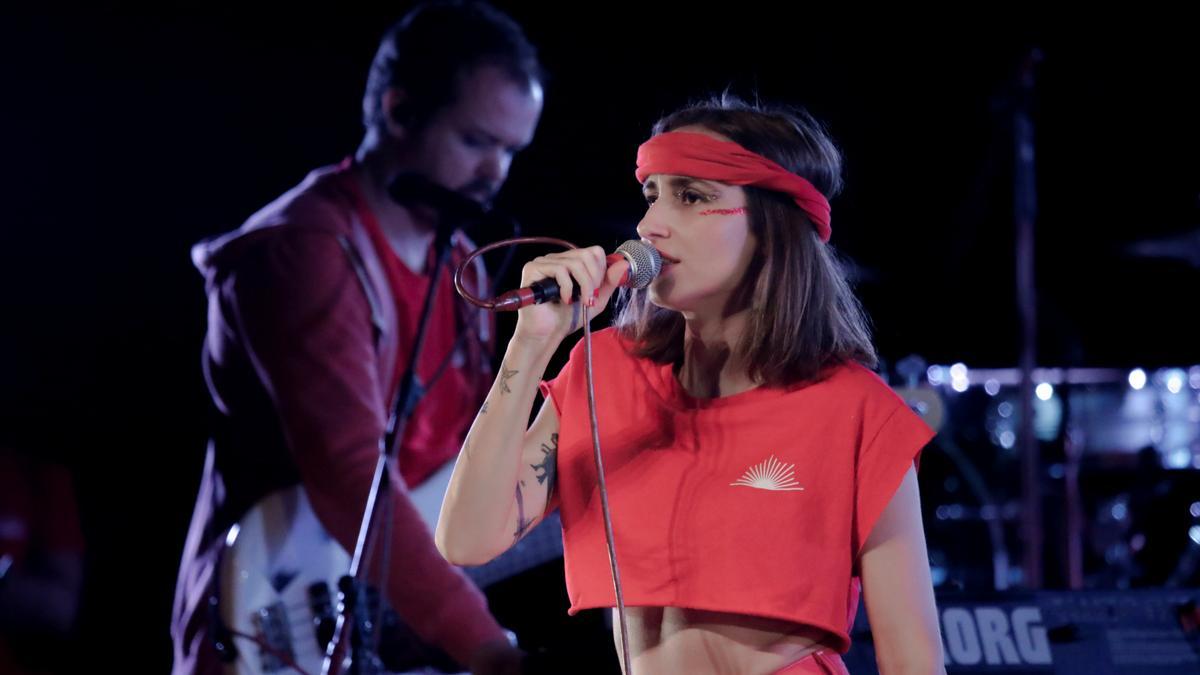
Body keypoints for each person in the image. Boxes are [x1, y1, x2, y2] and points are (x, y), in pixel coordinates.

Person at [436, 95, 945, 674]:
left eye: (691, 196)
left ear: (772, 225)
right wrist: (529, 347)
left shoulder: (857, 411)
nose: (649, 226)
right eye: (652, 195)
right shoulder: (601, 371)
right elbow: (466, 542)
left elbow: (914, 661)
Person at [171, 2, 544, 673]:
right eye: (476, 141)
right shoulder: (304, 249)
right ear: (399, 112)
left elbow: (455, 470)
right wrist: (485, 643)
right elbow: (350, 475)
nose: (496, 173)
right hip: (270, 623)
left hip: (393, 625)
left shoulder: (461, 261)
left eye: (511, 150)